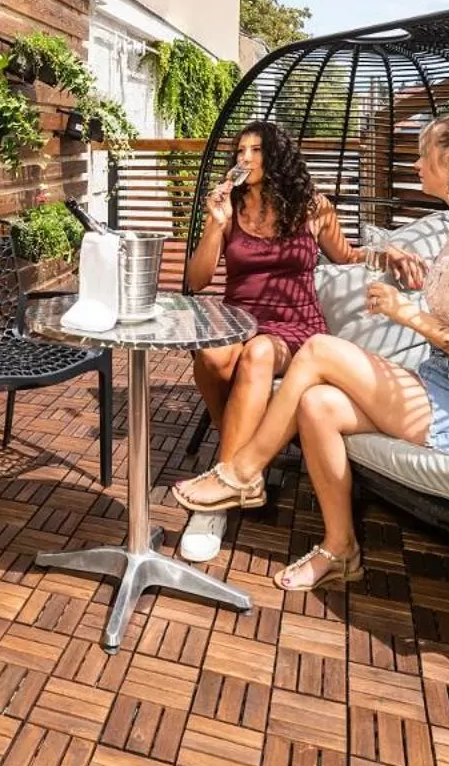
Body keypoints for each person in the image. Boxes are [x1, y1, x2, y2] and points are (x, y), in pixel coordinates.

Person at [174, 99, 449, 592]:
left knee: (318, 349)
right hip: (442, 382)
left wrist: (410, 315)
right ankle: (341, 548)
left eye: (421, 154)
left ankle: (241, 472)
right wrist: (399, 267)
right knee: (318, 404)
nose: (414, 165)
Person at [176, 121, 422, 561]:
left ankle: (222, 494)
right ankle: (243, 460)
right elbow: (195, 282)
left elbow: (348, 255)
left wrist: (390, 253)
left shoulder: (312, 207)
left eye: (256, 150)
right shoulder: (229, 208)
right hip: (240, 319)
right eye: (240, 151)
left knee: (258, 354)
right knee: (211, 357)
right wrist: (215, 226)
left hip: (295, 326)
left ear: (276, 157)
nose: (245, 158)